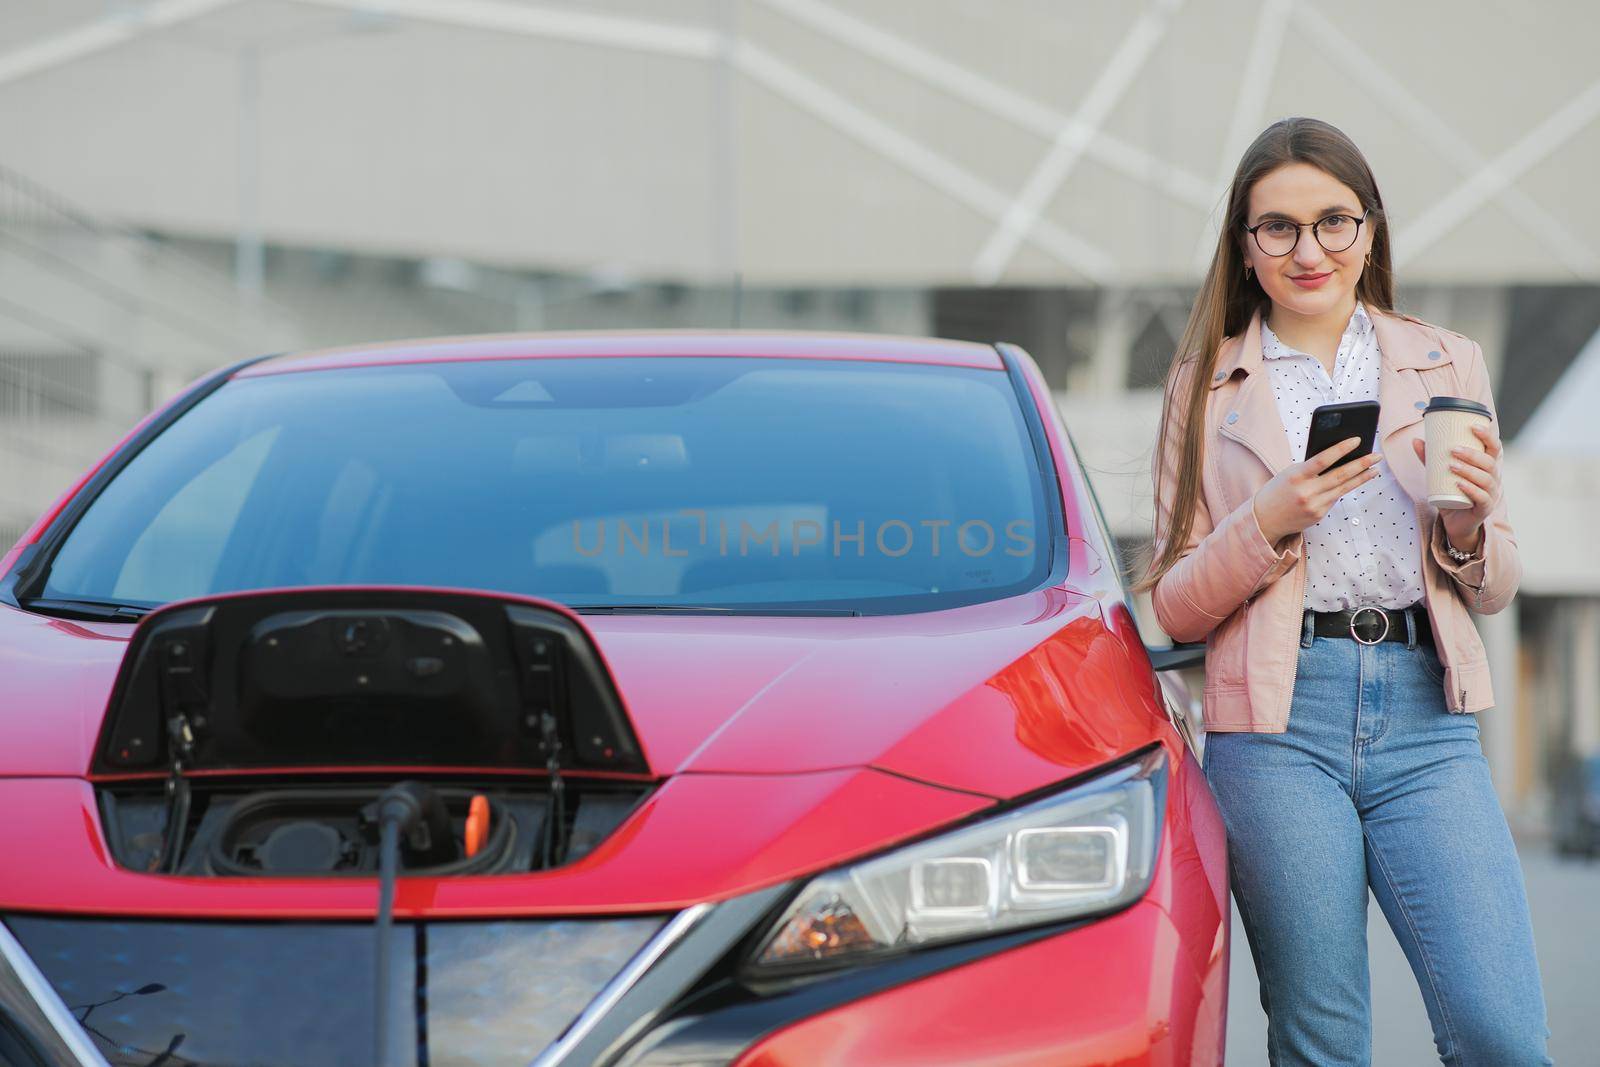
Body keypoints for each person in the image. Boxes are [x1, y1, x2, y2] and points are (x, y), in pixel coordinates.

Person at [1130, 116, 1554, 1065]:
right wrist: (1267, 520)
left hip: (1429, 717)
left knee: (1502, 1030)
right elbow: (1166, 608)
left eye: (1333, 221)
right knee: (1322, 1040)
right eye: (1275, 227)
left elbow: (1496, 585)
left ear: (1369, 230)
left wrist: (1466, 527)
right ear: (1245, 247)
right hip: (1276, 728)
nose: (1307, 248)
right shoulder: (1201, 388)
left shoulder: (1448, 360)